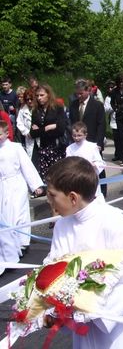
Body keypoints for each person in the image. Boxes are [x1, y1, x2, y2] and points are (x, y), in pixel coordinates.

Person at [44, 157, 123, 348]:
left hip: (119, 322)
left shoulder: (114, 222)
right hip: (80, 320)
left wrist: (91, 311)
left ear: (73, 198)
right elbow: (54, 264)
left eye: (52, 195)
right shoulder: (62, 225)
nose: (48, 201)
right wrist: (49, 303)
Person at [0, 120, 44, 276]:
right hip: (3, 187)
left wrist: (36, 185)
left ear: (6, 133)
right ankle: (11, 247)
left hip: (16, 184)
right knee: (6, 217)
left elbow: (27, 166)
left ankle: (22, 243)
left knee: (18, 213)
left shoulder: (15, 148)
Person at [69, 79, 107, 195]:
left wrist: (99, 143)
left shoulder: (97, 105)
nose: (79, 96)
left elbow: (101, 125)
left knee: (97, 166)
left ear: (88, 91)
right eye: (77, 93)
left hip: (93, 141)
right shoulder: (74, 105)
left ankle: (103, 189)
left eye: (81, 93)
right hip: (78, 141)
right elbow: (72, 122)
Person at [30, 84, 67, 180]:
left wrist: (40, 130)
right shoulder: (36, 111)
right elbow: (33, 133)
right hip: (43, 149)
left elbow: (61, 129)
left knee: (59, 177)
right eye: (37, 95)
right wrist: (47, 128)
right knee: (47, 178)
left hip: (56, 148)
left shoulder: (57, 107)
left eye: (42, 95)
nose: (39, 98)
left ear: (48, 95)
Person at [66, 121, 106, 201]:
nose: (77, 138)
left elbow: (101, 163)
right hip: (77, 178)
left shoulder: (92, 146)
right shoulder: (69, 148)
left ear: (85, 135)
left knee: (93, 199)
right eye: (74, 136)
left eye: (79, 135)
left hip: (90, 178)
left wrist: (95, 164)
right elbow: (68, 163)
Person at [16, 89, 35, 158]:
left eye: (31, 99)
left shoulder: (40, 109)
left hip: (41, 137)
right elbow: (19, 123)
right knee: (32, 158)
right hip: (29, 137)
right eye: (27, 99)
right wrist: (26, 132)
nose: (29, 101)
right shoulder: (22, 110)